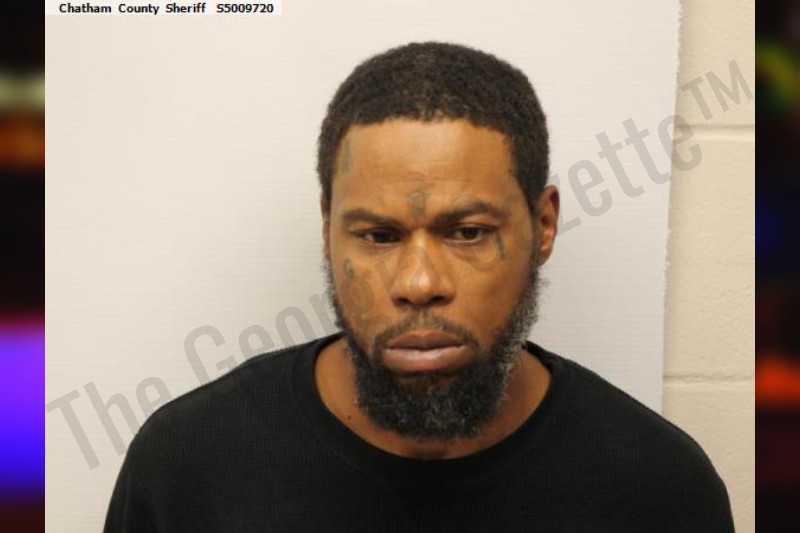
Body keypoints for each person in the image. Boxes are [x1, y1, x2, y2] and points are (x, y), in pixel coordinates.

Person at [104, 42, 734, 532]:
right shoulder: (189, 465)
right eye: (378, 236)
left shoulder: (658, 488)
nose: (419, 283)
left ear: (543, 225)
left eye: (468, 232)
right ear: (327, 231)